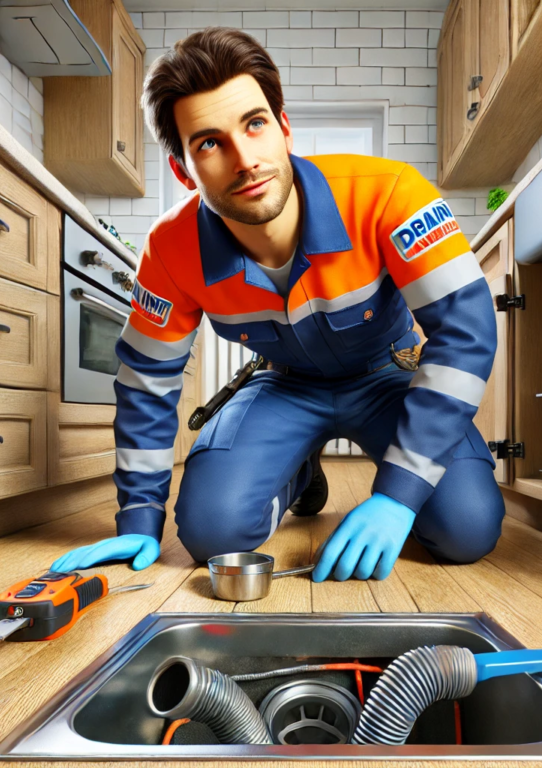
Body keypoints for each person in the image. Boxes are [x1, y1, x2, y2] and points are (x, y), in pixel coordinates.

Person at [51, 27, 505, 583]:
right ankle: (297, 473)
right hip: (283, 385)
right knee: (210, 536)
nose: (245, 160)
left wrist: (398, 496)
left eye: (255, 124)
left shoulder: (391, 193)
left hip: (391, 376)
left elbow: (466, 331)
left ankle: (370, 474)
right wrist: (139, 522)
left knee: (468, 528)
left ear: (284, 127)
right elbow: (147, 381)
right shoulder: (170, 250)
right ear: (183, 170)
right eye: (209, 143)